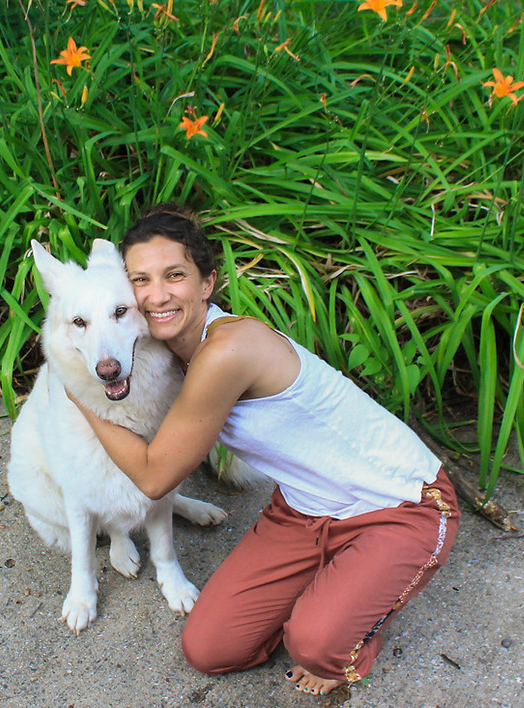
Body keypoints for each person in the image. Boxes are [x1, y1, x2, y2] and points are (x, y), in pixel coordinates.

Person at [66, 203, 460, 696]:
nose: (157, 295)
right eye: (141, 281)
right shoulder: (166, 349)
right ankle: (338, 580)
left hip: (400, 504)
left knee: (315, 643)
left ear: (207, 283)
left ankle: (348, 628)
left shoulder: (229, 349)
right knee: (210, 649)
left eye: (174, 275)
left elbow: (153, 476)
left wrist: (76, 394)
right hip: (304, 510)